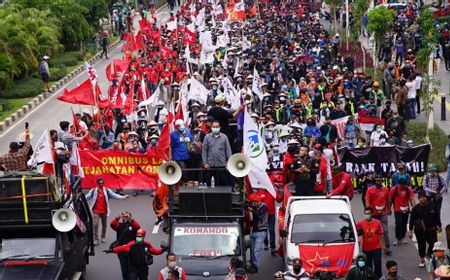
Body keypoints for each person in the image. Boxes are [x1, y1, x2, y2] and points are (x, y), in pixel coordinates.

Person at [86, 177, 129, 245]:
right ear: (97, 183)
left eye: (102, 183)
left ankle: (103, 236)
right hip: (96, 211)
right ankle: (95, 239)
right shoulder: (93, 190)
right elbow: (87, 197)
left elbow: (115, 195)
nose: (101, 184)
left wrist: (123, 197)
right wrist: (81, 199)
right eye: (100, 183)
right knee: (95, 224)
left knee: (104, 225)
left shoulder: (107, 190)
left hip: (104, 211)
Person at [408, 191, 441, 268]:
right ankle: (422, 260)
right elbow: (411, 220)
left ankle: (430, 254)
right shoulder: (416, 208)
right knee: (421, 245)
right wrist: (410, 230)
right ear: (418, 198)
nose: (422, 199)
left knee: (433, 244)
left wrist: (439, 226)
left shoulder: (432, 206)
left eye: (424, 197)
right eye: (421, 198)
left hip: (432, 229)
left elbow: (437, 217)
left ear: (426, 198)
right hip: (420, 231)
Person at [365, 174, 392, 256]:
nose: (379, 182)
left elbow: (388, 200)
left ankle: (387, 248)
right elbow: (367, 200)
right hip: (373, 214)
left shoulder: (386, 189)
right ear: (375, 181)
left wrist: (389, 209)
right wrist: (368, 210)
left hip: (383, 213)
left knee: (385, 230)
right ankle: (372, 247)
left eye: (380, 180)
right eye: (377, 180)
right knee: (372, 231)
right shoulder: (370, 190)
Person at [356, 207, 386, 278]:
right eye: (365, 213)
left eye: (368, 213)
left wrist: (384, 245)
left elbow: (381, 234)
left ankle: (379, 277)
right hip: (366, 249)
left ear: (372, 214)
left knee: (377, 264)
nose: (367, 215)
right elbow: (355, 232)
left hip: (376, 248)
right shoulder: (360, 223)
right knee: (368, 266)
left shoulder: (377, 223)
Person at [110, 211, 141, 280]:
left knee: (131, 267)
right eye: (124, 216)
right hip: (121, 250)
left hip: (132, 250)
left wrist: (130, 219)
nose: (125, 217)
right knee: (124, 268)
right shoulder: (119, 225)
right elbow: (112, 224)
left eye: (127, 215)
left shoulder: (133, 225)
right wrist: (118, 217)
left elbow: (138, 227)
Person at [202, 121, 232, 186]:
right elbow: (204, 151)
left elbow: (228, 151)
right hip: (210, 166)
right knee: (209, 185)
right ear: (211, 127)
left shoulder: (224, 137)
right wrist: (205, 163)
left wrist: (229, 163)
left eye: (217, 127)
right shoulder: (207, 137)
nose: (215, 128)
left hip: (222, 165)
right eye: (214, 127)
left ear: (220, 127)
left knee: (222, 185)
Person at [389, 177, 415, 246]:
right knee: (398, 224)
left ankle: (403, 237)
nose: (403, 186)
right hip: (397, 210)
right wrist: (388, 209)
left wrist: (414, 208)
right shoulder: (394, 189)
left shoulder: (408, 189)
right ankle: (397, 238)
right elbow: (390, 200)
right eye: (402, 185)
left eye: (404, 185)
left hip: (406, 209)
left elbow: (412, 199)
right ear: (399, 184)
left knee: (404, 224)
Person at [247, 192, 268, 273]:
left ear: (256, 201)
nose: (252, 203)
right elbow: (251, 219)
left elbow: (259, 216)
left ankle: (255, 267)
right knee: (252, 250)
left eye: (252, 202)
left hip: (261, 231)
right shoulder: (253, 206)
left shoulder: (264, 206)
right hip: (254, 231)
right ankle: (252, 264)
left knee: (256, 250)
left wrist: (252, 209)